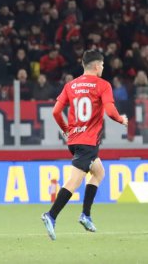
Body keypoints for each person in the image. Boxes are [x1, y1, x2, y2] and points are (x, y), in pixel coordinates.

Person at [41, 50, 128, 240]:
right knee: (75, 181)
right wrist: (121, 119)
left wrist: (66, 130)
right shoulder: (103, 85)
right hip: (87, 142)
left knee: (99, 172)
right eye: (103, 65)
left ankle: (86, 215)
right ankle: (51, 215)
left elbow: (56, 112)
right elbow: (111, 111)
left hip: (74, 140)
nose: (103, 68)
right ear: (97, 66)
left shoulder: (70, 85)